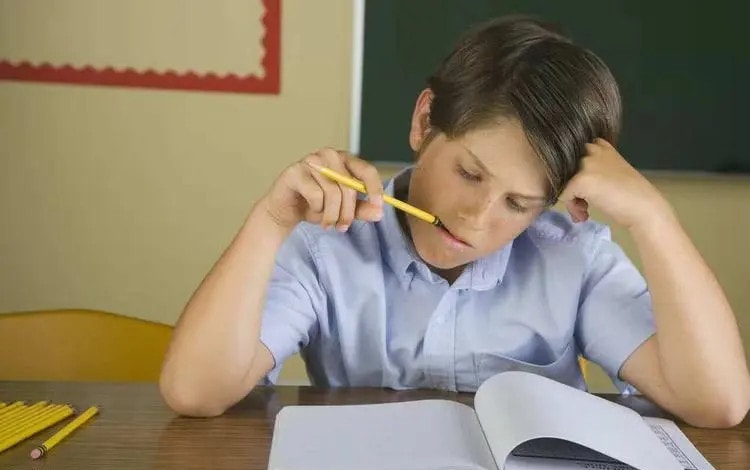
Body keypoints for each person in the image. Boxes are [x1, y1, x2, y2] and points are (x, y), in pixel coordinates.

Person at [159, 15, 750, 427]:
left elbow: (718, 404)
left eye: (519, 204)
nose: (476, 216)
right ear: (423, 121)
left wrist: (654, 219)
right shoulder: (328, 246)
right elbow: (193, 392)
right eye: (470, 174)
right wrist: (270, 221)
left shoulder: (573, 255)